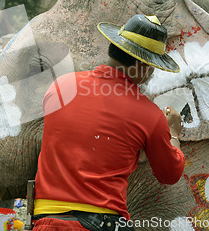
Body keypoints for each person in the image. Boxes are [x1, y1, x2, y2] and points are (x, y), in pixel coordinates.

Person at [33, 14, 185, 230]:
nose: (151, 73)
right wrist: (173, 133)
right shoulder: (150, 115)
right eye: (152, 67)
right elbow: (170, 174)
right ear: (142, 65)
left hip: (45, 222)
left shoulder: (60, 86)